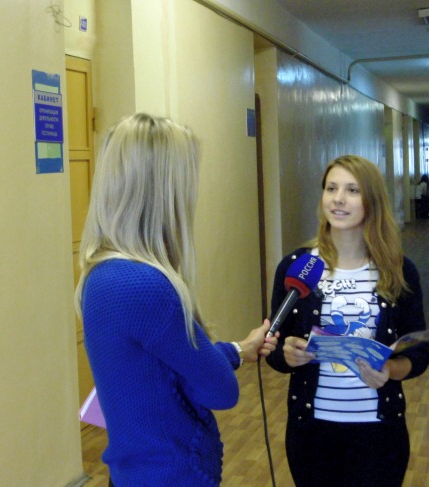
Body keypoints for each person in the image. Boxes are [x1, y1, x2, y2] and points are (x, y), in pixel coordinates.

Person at [74, 112, 278, 487]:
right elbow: (220, 390)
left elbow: (167, 365)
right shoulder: (145, 286)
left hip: (131, 473)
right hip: (173, 474)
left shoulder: (100, 274)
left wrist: (237, 349)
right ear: (163, 190)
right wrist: (214, 363)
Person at [266, 155, 429, 487]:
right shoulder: (297, 266)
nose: (338, 199)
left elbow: (419, 355)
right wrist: (287, 353)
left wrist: (389, 370)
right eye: (331, 189)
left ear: (372, 201)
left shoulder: (398, 270)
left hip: (378, 434)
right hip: (311, 433)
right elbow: (273, 348)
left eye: (352, 190)